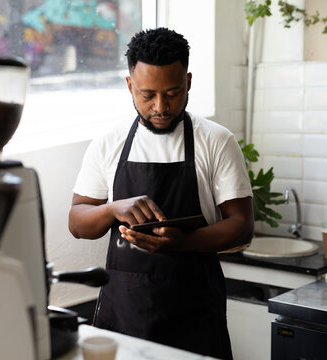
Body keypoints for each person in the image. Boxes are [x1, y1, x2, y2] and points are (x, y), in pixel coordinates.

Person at [68, 27, 254, 360]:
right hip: (124, 315)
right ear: (129, 86)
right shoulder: (109, 142)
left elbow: (241, 224)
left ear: (189, 82)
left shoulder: (216, 141)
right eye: (147, 94)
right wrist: (113, 209)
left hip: (194, 316)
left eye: (172, 92)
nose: (160, 106)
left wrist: (182, 243)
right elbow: (78, 221)